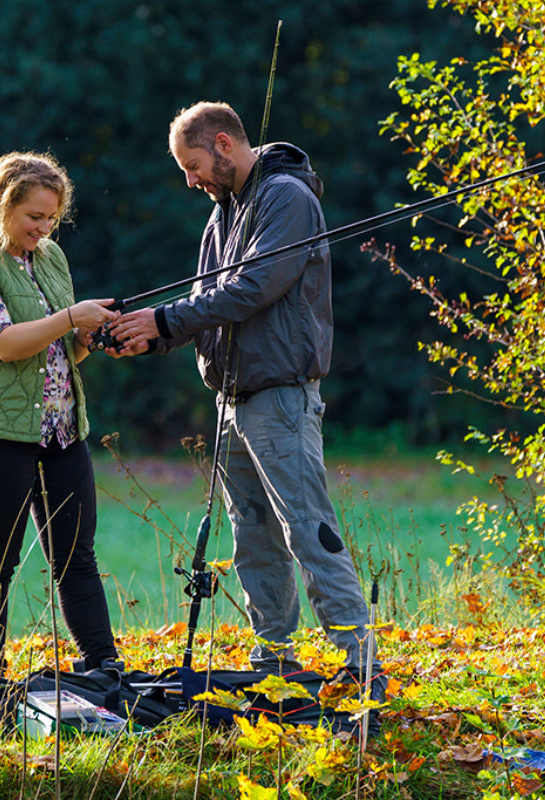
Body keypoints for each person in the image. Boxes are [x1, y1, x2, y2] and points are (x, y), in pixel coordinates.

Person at [108, 102, 377, 679]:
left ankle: (360, 664)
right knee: (253, 533)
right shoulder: (222, 213)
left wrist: (164, 320)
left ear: (224, 144)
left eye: (194, 164)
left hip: (280, 396)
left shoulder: (286, 198)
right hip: (232, 400)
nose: (191, 180)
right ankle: (273, 656)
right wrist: (150, 338)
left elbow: (255, 286)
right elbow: (209, 300)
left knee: (306, 527)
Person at [0, 150, 121, 677]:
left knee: (76, 556)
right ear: (0, 206)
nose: (43, 228)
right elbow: (5, 343)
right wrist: (69, 318)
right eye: (33, 217)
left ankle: (104, 666)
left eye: (52, 219)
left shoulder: (51, 258)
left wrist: (92, 336)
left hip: (62, 428)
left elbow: (63, 347)